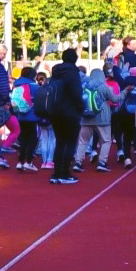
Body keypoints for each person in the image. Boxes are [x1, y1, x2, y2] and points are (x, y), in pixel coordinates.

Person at [47, 49, 86, 184]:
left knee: (60, 142)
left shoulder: (55, 73)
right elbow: (76, 93)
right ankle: (64, 173)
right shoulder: (73, 73)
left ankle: (57, 172)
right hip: (70, 112)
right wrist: (81, 108)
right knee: (70, 142)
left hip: (55, 111)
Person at [10, 67, 40, 172]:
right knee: (33, 139)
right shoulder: (34, 86)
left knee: (23, 138)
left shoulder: (16, 85)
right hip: (32, 115)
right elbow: (38, 99)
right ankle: (29, 161)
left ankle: (20, 161)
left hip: (20, 115)